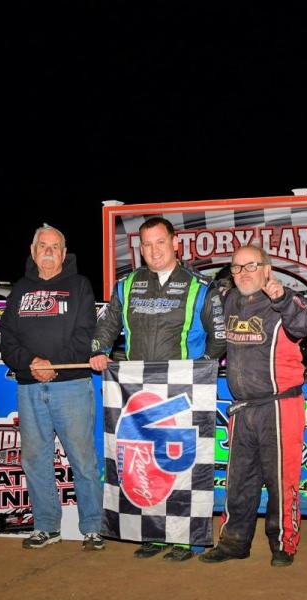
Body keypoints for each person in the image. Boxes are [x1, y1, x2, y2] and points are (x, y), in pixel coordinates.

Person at [90, 215, 225, 561]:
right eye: (146, 244)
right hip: (137, 394)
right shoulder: (127, 285)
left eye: (160, 242)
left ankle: (183, 539)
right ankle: (152, 534)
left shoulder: (201, 285)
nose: (153, 251)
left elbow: (220, 336)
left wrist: (203, 366)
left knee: (180, 468)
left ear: (175, 243)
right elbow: (107, 326)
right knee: (144, 467)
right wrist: (98, 351)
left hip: (183, 394)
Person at [200, 244, 307, 567]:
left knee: (282, 480)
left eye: (251, 266)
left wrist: (281, 298)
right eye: (237, 268)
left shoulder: (284, 298)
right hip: (242, 406)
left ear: (267, 268)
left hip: (280, 406)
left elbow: (306, 325)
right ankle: (234, 541)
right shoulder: (228, 300)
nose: (244, 273)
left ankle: (283, 545)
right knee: (239, 479)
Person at [0, 224, 104, 551]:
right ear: (32, 251)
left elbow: (86, 334)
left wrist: (51, 366)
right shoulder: (19, 290)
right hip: (29, 387)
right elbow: (7, 340)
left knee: (83, 460)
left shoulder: (79, 285)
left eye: (54, 246)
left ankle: (92, 528)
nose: (48, 251)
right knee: (36, 460)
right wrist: (31, 362)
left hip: (71, 387)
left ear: (64, 252)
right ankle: (46, 526)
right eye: (42, 245)